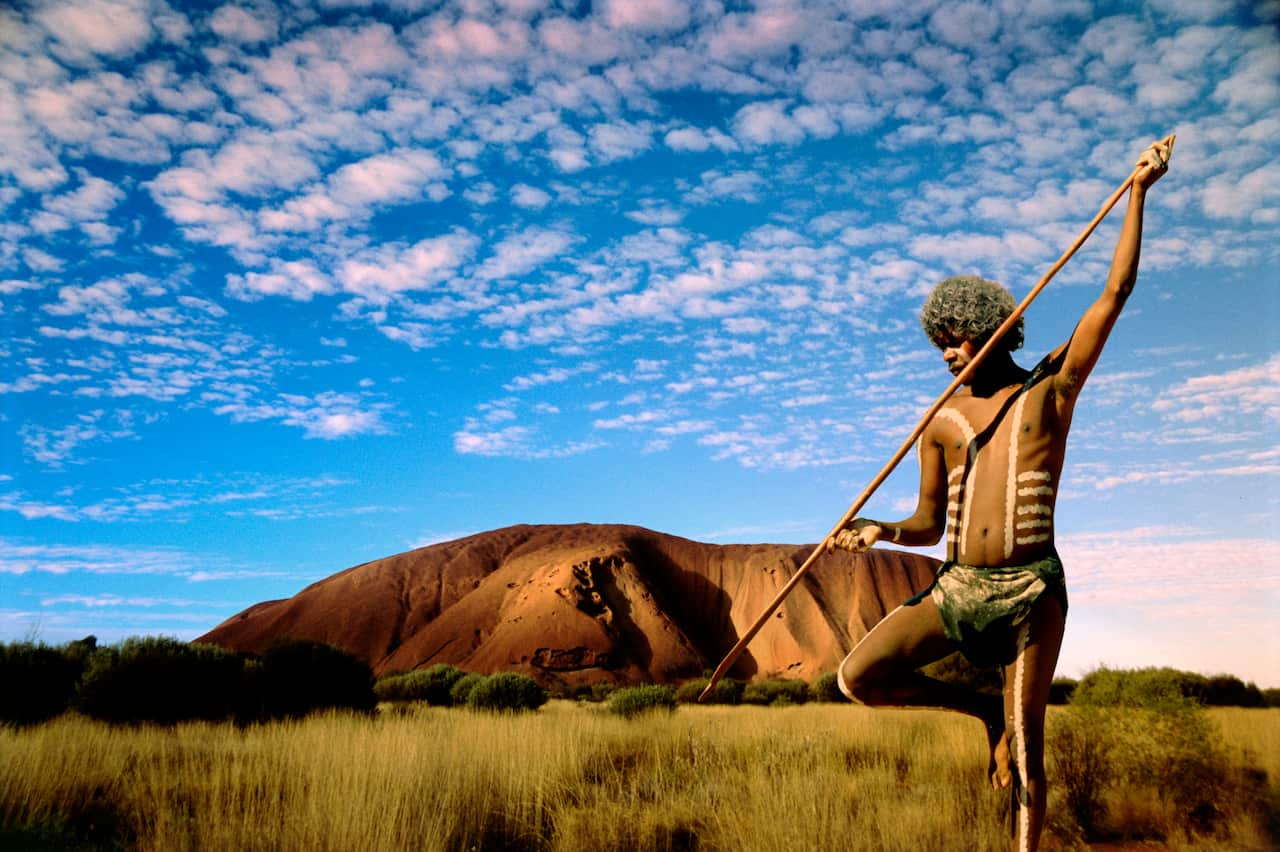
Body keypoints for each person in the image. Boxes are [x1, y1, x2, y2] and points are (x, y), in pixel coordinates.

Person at [825, 139, 1170, 852]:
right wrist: (879, 529)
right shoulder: (941, 422)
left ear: (995, 328)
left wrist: (1137, 192)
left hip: (1029, 594)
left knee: (1028, 759)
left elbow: (1115, 295)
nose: (950, 355)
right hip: (957, 589)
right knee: (857, 676)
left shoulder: (1052, 387)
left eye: (958, 340)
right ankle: (981, 710)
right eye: (941, 345)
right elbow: (926, 524)